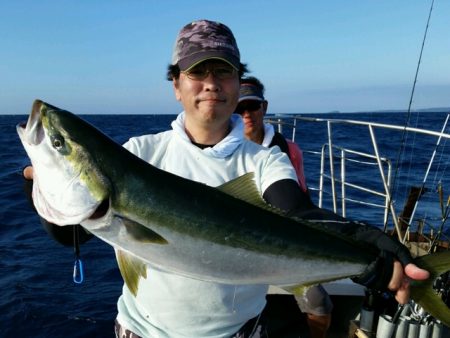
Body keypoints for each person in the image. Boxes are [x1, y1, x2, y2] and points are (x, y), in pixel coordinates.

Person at [23, 19, 429, 338]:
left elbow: (296, 210)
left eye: (224, 72)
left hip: (240, 333)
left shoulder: (265, 161)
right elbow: (70, 234)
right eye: (198, 73)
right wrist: (42, 184)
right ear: (176, 86)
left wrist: (363, 245)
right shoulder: (139, 154)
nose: (211, 84)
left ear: (238, 85)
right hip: (140, 332)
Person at [236, 76, 332, 338]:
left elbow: (301, 203)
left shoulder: (289, 151)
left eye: (252, 107)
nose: (246, 114)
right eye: (238, 108)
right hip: (236, 243)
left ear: (264, 108)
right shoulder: (224, 150)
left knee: (320, 304)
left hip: (279, 246)